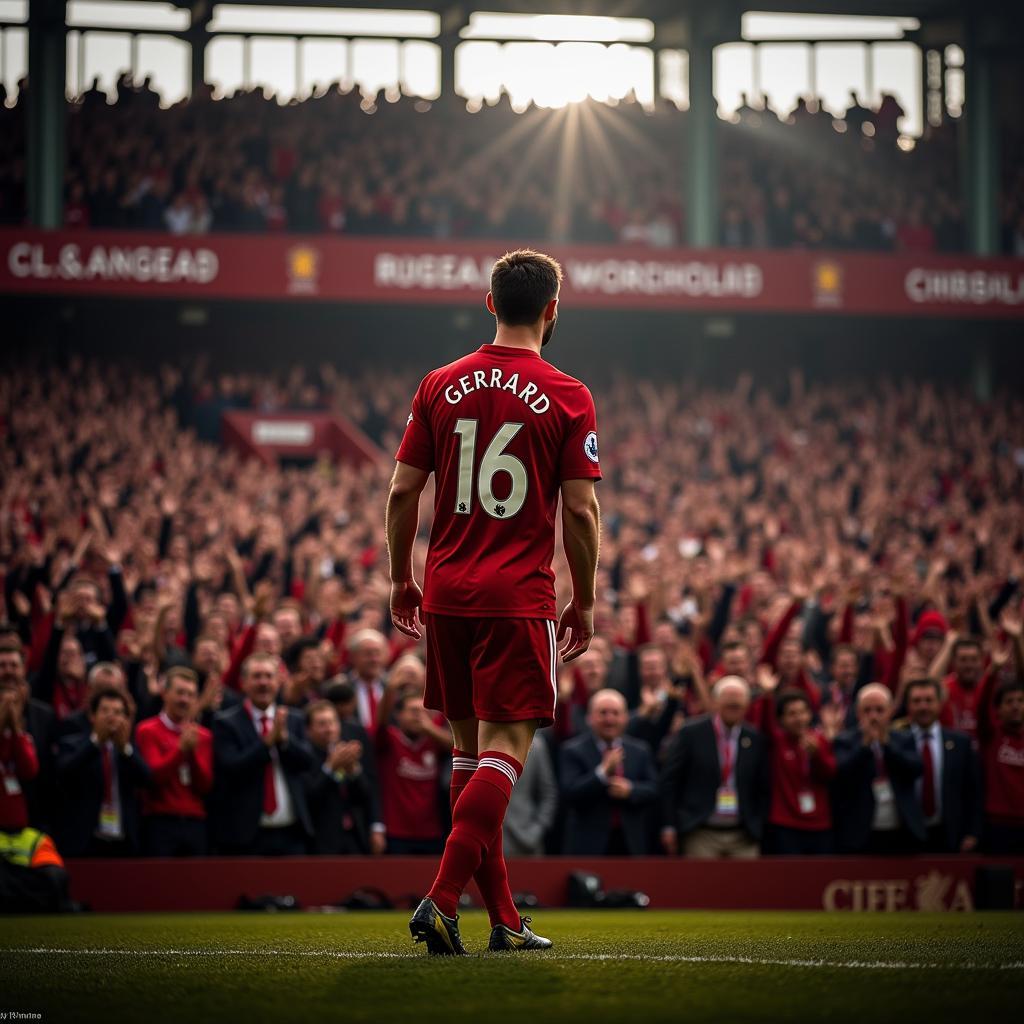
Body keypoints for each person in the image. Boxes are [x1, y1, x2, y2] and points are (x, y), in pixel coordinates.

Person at [386, 249, 601, 954]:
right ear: (552, 310)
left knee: (470, 757)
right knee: (507, 755)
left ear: (488, 304)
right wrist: (586, 599)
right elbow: (580, 512)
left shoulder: (438, 384)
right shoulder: (568, 394)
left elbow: (400, 493)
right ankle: (442, 897)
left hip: (447, 593)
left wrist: (401, 578)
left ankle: (504, 918)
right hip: (518, 597)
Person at [211, 652, 315, 855]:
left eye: (268, 676)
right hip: (246, 835)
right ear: (243, 683)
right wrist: (266, 744)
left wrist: (284, 740)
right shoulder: (226, 722)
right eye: (257, 676)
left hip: (292, 832)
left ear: (278, 681)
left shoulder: (294, 719)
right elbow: (231, 767)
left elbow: (308, 762)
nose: (263, 682)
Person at [659, 676, 767, 858]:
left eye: (738, 704)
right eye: (728, 703)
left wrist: (758, 824)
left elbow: (763, 786)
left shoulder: (754, 738)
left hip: (744, 834)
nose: (733, 708)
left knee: (746, 886)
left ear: (747, 705)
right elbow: (670, 780)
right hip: (701, 831)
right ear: (716, 702)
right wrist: (669, 825)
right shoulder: (691, 733)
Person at [55, 686, 151, 856]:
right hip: (85, 840)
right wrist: (96, 743)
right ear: (92, 716)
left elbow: (147, 780)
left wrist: (125, 749)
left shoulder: (129, 750)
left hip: (123, 839)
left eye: (118, 712)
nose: (112, 717)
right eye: (105, 711)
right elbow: (65, 773)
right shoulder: (72, 744)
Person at [560, 689, 658, 855]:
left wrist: (631, 790)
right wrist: (602, 773)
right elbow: (569, 793)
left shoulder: (640, 751)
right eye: (603, 713)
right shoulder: (572, 750)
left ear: (626, 718)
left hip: (631, 843)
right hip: (588, 845)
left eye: (616, 713)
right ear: (590, 718)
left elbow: (654, 789)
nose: (609, 719)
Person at [832, 684, 924, 854]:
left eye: (879, 710)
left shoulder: (904, 738)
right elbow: (841, 775)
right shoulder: (845, 741)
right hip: (860, 830)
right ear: (858, 713)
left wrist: (887, 745)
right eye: (867, 711)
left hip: (901, 828)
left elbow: (915, 769)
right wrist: (865, 746)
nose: (873, 716)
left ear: (890, 711)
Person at [754, 671, 838, 855]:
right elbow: (764, 724)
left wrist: (817, 755)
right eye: (792, 714)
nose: (799, 718)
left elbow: (830, 773)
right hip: (785, 822)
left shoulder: (819, 741)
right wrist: (767, 696)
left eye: (802, 712)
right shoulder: (777, 741)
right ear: (781, 720)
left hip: (818, 823)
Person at [895, 678, 981, 853]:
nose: (923, 706)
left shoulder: (961, 743)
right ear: (908, 705)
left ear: (940, 703)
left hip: (950, 833)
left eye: (929, 700)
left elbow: (973, 791)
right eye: (917, 701)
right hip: (906, 834)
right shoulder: (895, 741)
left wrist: (973, 832)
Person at [134, 667, 214, 856]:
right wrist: (180, 750)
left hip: (195, 822)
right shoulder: (147, 730)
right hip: (160, 821)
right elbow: (154, 778)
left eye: (190, 694)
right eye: (179, 693)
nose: (184, 699)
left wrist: (191, 753)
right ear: (164, 693)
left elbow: (205, 786)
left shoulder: (203, 736)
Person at [374, 674, 453, 855]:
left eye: (423, 712)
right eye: (413, 712)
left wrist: (429, 728)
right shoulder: (390, 740)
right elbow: (380, 724)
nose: (419, 718)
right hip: (396, 832)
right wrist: (390, 689)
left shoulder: (434, 742)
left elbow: (457, 746)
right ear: (399, 715)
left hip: (432, 832)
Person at [304, 699, 374, 854]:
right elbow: (310, 798)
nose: (329, 729)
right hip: (321, 841)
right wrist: (330, 768)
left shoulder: (346, 753)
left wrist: (353, 770)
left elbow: (365, 795)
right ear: (308, 730)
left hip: (355, 839)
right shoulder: (304, 757)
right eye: (322, 724)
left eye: (332, 722)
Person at [975, 635, 1024, 853]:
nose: (1015, 706)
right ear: (1000, 709)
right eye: (1009, 702)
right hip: (998, 823)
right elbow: (981, 706)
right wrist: (992, 671)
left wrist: (1017, 640)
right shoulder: (992, 734)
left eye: (1021, 701)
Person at [503, 733, 558, 857]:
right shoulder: (475, 740)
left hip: (526, 840)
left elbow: (549, 794)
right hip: (484, 841)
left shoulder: (536, 745)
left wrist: (536, 830)